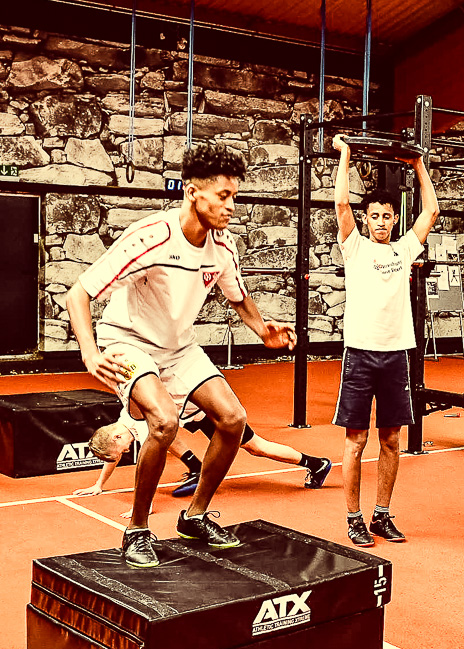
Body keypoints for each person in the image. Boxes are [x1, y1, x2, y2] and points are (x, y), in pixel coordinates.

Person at [65, 145, 296, 568]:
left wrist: (264, 331)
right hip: (127, 340)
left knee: (233, 419)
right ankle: (136, 528)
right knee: (164, 421)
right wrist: (89, 352)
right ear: (193, 193)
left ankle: (195, 516)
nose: (231, 206)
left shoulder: (223, 248)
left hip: (179, 346)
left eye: (234, 196)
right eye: (223, 196)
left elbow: (238, 298)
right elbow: (77, 294)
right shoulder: (151, 236)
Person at [331, 134, 439, 547]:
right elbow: (342, 204)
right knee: (355, 441)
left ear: (394, 219)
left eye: (387, 216)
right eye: (374, 215)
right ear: (366, 218)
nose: (380, 221)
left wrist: (417, 165)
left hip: (396, 356)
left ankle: (381, 515)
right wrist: (346, 155)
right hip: (360, 355)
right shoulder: (354, 247)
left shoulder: (404, 249)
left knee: (391, 440)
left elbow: (430, 210)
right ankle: (353, 518)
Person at [77, 402, 333, 498]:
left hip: (213, 413)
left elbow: (153, 469)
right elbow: (110, 452)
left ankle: (315, 463)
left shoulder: (143, 429)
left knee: (257, 448)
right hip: (196, 414)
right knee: (169, 436)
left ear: (117, 434)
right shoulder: (125, 418)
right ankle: (196, 467)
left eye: (121, 450)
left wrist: (141, 506)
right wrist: (99, 484)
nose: (124, 453)